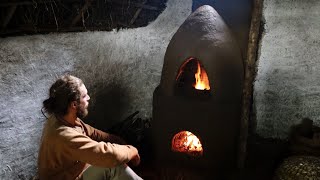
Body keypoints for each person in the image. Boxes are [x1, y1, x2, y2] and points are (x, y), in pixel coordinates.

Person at [38, 75, 143, 180]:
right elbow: (107, 155)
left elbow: (91, 132)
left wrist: (117, 140)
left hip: (73, 172)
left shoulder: (62, 116)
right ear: (74, 104)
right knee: (114, 166)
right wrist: (132, 150)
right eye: (84, 96)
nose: (88, 98)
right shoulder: (64, 135)